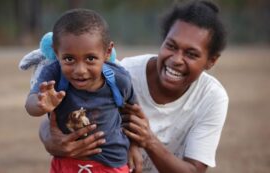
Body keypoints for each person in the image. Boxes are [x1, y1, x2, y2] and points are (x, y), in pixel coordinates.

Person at [39, 1, 228, 173]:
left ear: (211, 61)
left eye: (191, 54)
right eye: (171, 46)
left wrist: (148, 141)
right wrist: (51, 141)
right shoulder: (121, 75)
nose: (176, 59)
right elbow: (57, 115)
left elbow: (194, 170)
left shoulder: (211, 97)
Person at [25, 9, 138, 173]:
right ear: (56, 52)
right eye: (69, 59)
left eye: (90, 58)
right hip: (65, 163)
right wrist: (40, 104)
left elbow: (132, 115)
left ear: (107, 52)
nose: (80, 70)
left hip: (111, 165)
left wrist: (134, 147)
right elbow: (30, 104)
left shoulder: (119, 80)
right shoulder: (53, 74)